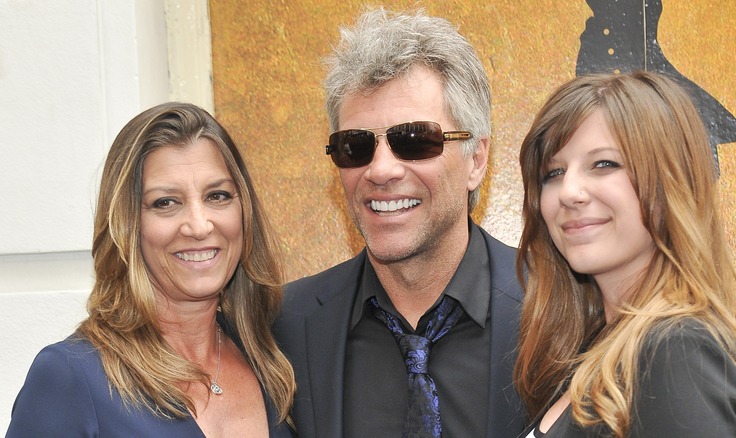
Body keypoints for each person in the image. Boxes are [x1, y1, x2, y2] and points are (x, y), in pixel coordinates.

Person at [273, 7, 525, 438]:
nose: (381, 170)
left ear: (477, 160)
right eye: (356, 146)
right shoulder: (285, 327)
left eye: (414, 140)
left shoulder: (562, 310)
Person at [7, 102, 296, 437]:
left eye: (217, 196)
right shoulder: (72, 376)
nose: (199, 225)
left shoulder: (274, 359)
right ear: (128, 225)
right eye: (166, 203)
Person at [514, 71, 736, 437]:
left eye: (604, 164)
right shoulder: (602, 343)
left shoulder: (676, 349)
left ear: (670, 182)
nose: (569, 192)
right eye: (553, 172)